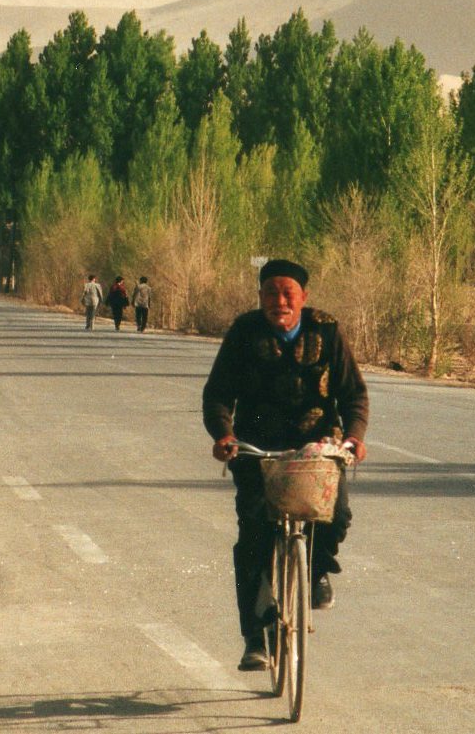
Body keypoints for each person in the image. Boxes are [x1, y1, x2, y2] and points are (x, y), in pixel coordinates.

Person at [202, 258, 369, 672]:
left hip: (318, 447)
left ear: (303, 297)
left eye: (287, 293)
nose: (280, 301)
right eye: (271, 293)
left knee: (338, 514)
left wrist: (354, 438)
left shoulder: (326, 330)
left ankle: (315, 571)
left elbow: (353, 394)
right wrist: (223, 436)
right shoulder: (244, 332)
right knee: (254, 538)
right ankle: (255, 638)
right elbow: (218, 393)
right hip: (257, 451)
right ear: (260, 297)